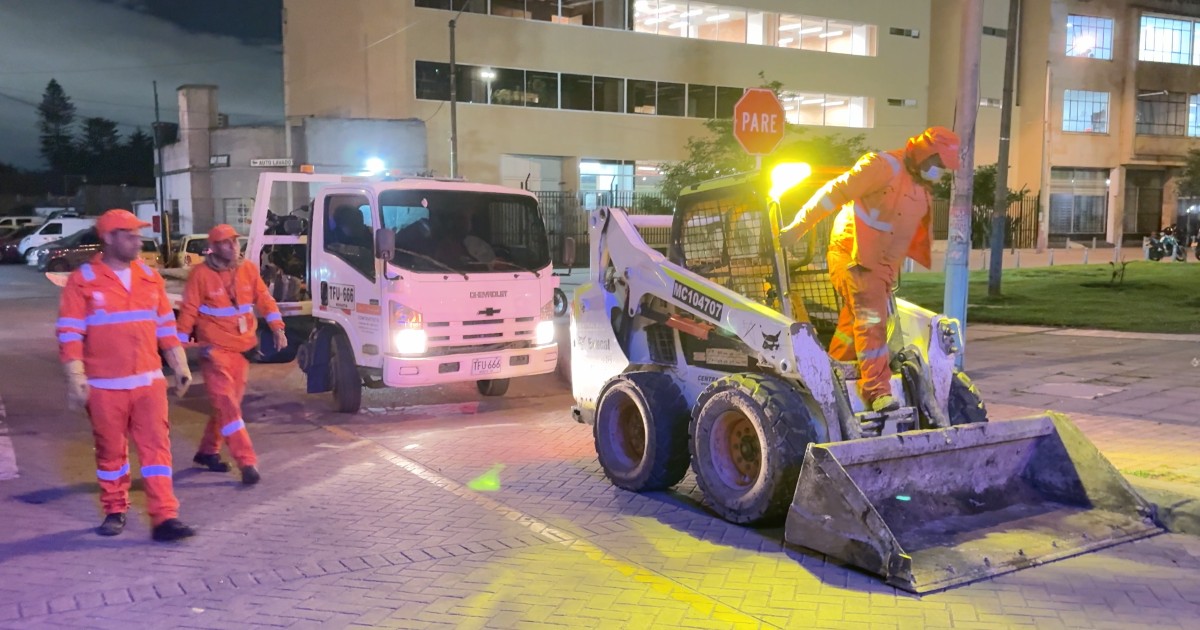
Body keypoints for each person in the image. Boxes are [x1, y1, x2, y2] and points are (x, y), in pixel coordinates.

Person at [779, 126, 961, 413]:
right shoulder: (882, 166)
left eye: (943, 167)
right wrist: (798, 228)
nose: (939, 171)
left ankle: (832, 373)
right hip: (854, 255)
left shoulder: (919, 187)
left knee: (855, 325)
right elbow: (834, 192)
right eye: (937, 163)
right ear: (925, 153)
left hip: (881, 266)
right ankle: (878, 391)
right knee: (871, 318)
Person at [56, 209, 196, 541]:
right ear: (108, 237)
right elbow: (70, 332)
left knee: (157, 451)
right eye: (130, 234)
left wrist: (179, 365)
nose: (137, 240)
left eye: (137, 234)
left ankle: (165, 517)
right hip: (105, 387)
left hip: (148, 382)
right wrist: (75, 375)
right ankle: (115, 509)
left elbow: (165, 327)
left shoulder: (149, 278)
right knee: (111, 452)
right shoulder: (83, 281)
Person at [177, 225, 287, 485]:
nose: (233, 247)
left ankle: (207, 452)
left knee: (228, 408)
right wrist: (177, 350)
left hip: (241, 350)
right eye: (226, 243)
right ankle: (246, 462)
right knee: (228, 406)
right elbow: (189, 312)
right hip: (214, 351)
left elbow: (263, 298)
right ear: (213, 247)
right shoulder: (200, 275)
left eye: (235, 242)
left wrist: (278, 328)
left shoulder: (247, 269)